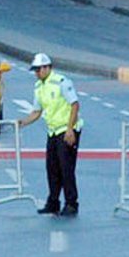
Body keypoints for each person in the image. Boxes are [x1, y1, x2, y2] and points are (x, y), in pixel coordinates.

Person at [19, 53, 84, 217]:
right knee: (52, 168)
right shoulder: (39, 87)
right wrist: (21, 123)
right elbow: (36, 111)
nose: (36, 73)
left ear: (47, 67)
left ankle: (71, 203)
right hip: (53, 131)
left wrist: (70, 129)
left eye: (38, 69)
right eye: (35, 70)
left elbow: (75, 105)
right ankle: (53, 202)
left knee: (66, 168)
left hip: (67, 129)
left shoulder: (61, 82)